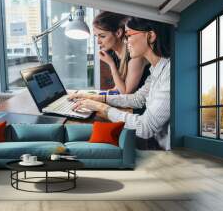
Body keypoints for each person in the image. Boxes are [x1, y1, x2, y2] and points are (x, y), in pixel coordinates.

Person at [70, 17, 171, 150]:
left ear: (150, 36)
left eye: (128, 36)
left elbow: (145, 127)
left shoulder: (169, 73)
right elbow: (137, 99)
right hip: (153, 144)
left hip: (162, 152)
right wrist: (97, 98)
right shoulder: (156, 69)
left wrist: (102, 108)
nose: (126, 41)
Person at [93, 11, 150, 94]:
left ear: (118, 33)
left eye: (102, 36)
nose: (98, 42)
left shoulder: (135, 55)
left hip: (139, 105)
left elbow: (125, 92)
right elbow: (118, 86)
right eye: (96, 36)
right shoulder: (112, 53)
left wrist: (111, 64)